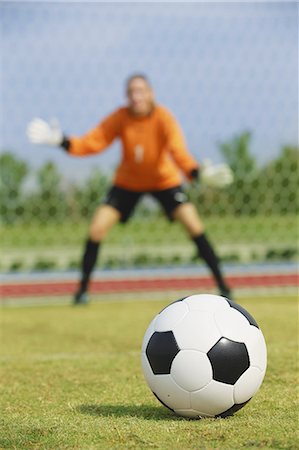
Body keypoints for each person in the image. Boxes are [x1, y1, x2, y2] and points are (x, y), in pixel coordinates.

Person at [27, 74, 234, 305]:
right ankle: (82, 291)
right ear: (127, 96)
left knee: (193, 225)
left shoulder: (164, 118)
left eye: (141, 91)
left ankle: (224, 286)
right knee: (97, 228)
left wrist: (197, 173)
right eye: (131, 92)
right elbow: (94, 142)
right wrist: (62, 141)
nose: (136, 96)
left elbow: (178, 151)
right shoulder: (120, 117)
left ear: (151, 93)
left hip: (163, 181)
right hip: (127, 184)